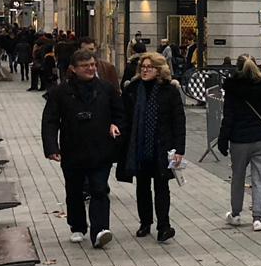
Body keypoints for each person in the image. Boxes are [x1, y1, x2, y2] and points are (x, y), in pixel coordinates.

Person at [41, 48, 124, 248]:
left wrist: (116, 125)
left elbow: (120, 114)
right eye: (85, 66)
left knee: (99, 189)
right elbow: (50, 120)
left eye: (93, 65)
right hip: (72, 149)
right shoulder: (60, 92)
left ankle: (101, 229)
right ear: (73, 69)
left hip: (100, 148)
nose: (90, 68)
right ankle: (77, 226)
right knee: (74, 190)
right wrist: (52, 146)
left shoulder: (106, 88)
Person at [118, 52, 186, 241]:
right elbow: (123, 116)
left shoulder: (169, 90)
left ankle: (164, 226)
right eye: (143, 67)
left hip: (162, 146)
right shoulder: (133, 88)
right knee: (142, 186)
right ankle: (145, 222)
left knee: (162, 186)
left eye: (150, 67)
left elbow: (179, 120)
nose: (145, 70)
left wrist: (180, 149)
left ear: (159, 70)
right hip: (138, 145)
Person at [218, 54, 261, 232]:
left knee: (238, 178)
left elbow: (228, 117)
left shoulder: (233, 89)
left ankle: (236, 214)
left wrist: (223, 140)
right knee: (260, 180)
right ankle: (258, 218)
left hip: (239, 139)